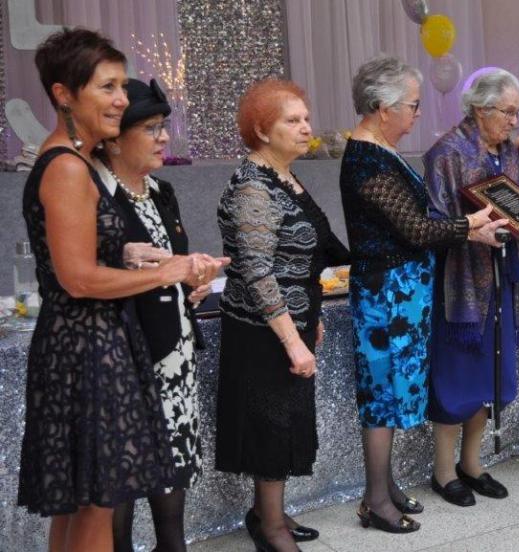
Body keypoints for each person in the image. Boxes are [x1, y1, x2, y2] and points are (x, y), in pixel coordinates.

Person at [17, 28, 213, 552]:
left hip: (90, 343)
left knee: (82, 506)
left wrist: (125, 254)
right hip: (88, 349)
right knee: (96, 512)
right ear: (64, 95)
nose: (122, 99)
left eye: (122, 86)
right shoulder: (66, 166)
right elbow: (77, 278)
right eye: (107, 87)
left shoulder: (74, 161)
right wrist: (167, 271)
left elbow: (77, 256)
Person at [339, 56, 503, 533]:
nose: (416, 114)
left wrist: (469, 229)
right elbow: (413, 228)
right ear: (382, 107)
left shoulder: (382, 151)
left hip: (403, 291)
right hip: (385, 296)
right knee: (381, 397)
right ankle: (375, 500)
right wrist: (469, 226)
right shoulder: (366, 159)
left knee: (391, 394)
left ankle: (384, 486)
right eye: (412, 105)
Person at [215, 78, 349, 551]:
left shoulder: (285, 175)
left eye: (305, 118)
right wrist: (292, 340)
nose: (306, 127)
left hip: (292, 320)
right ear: (261, 130)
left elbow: (304, 257)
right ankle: (269, 528)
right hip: (263, 331)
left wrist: (311, 316)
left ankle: (267, 511)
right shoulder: (254, 186)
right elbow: (257, 271)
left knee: (285, 423)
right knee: (270, 428)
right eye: (292, 120)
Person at [95, 78, 224, 552]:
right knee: (124, 471)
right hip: (122, 354)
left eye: (164, 126)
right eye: (151, 128)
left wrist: (193, 282)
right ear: (114, 138)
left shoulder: (161, 192)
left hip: (173, 350)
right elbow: (82, 273)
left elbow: (170, 264)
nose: (164, 137)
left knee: (172, 462)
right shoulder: (92, 193)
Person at [422, 68, 519, 507]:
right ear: (480, 108)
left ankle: (472, 464)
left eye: (518, 112)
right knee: (457, 377)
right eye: (508, 111)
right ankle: (443, 471)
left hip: (502, 279)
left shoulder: (508, 152)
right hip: (462, 285)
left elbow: (513, 206)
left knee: (490, 373)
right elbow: (434, 224)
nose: (514, 120)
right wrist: (473, 232)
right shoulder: (446, 153)